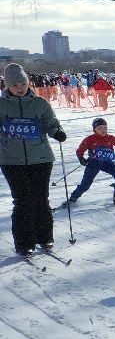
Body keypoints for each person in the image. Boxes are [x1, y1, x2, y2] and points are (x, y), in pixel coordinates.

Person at [1, 62, 66, 256]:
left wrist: (57, 132)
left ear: (28, 83)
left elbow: (51, 123)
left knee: (40, 199)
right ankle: (24, 243)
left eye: (22, 84)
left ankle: (44, 237)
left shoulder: (39, 103)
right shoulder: (1, 105)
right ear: (7, 86)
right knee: (22, 200)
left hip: (41, 158)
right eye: (15, 85)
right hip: (12, 160)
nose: (19, 89)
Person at [69, 118, 115, 206]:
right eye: (100, 128)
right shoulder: (90, 139)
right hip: (93, 163)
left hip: (107, 163)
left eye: (105, 128)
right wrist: (81, 158)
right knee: (85, 185)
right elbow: (80, 150)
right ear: (94, 129)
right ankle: (72, 199)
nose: (103, 130)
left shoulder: (111, 138)